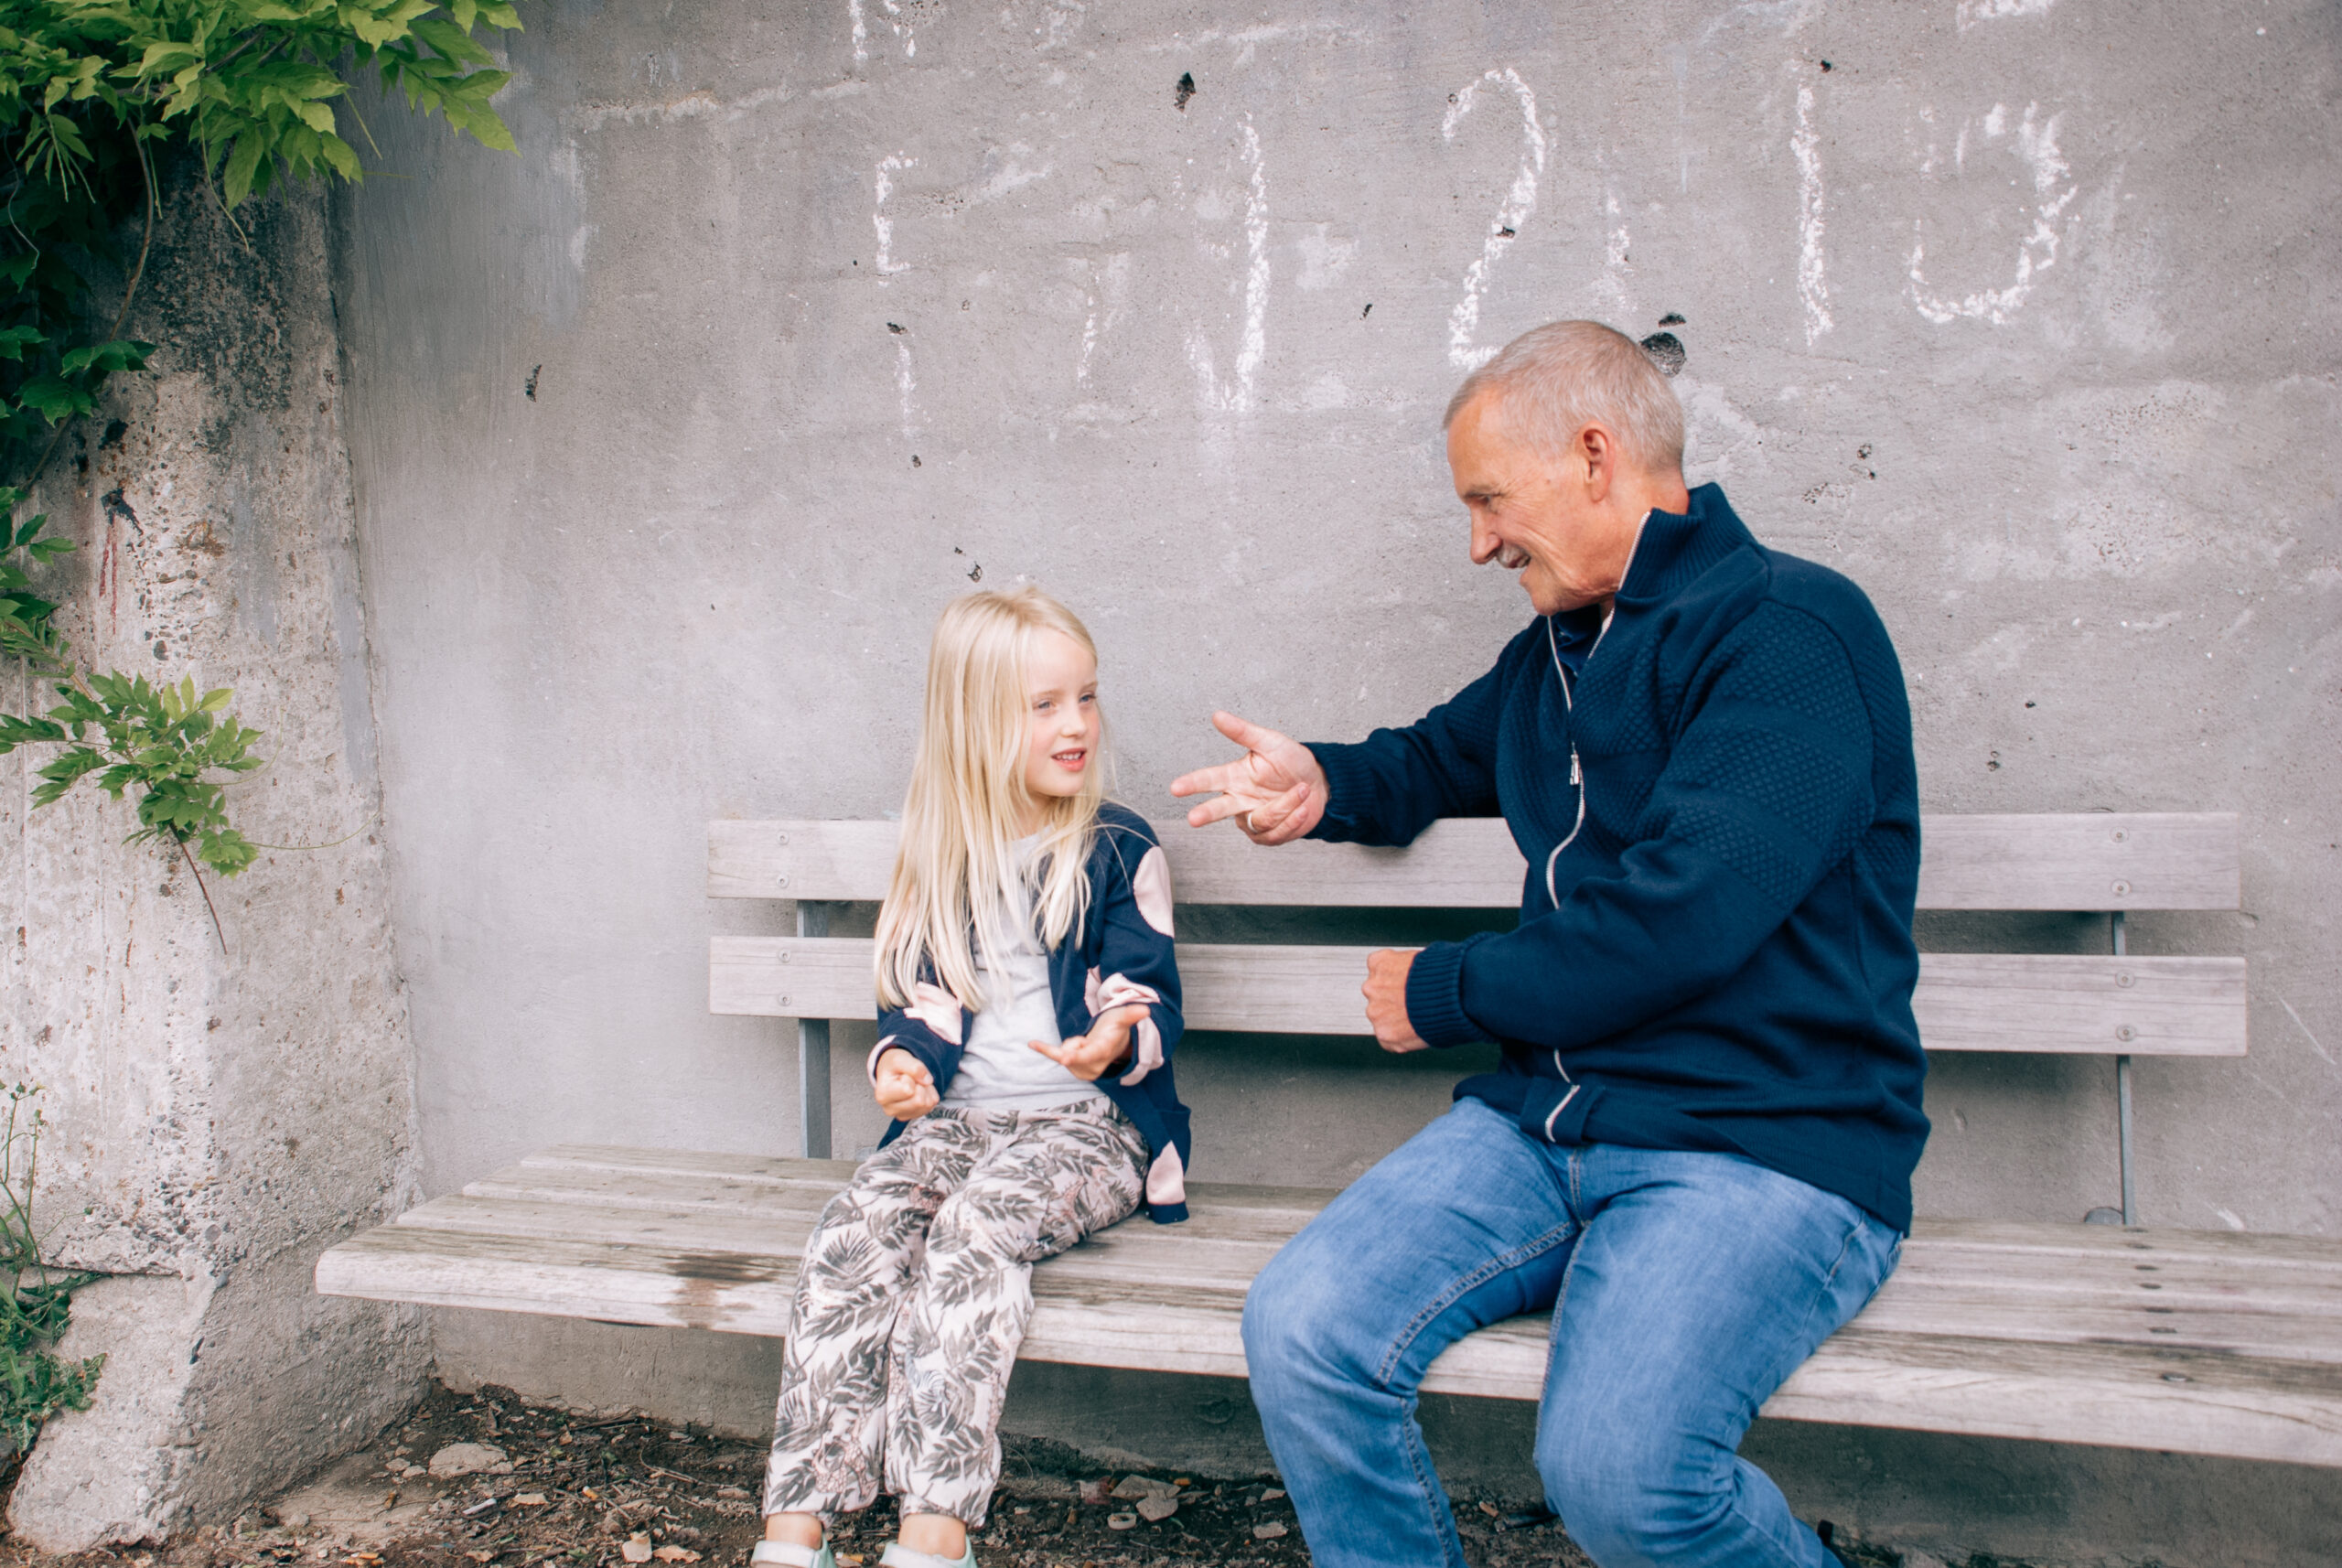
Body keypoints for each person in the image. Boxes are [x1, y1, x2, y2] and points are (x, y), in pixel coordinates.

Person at [1171, 320, 1928, 1568]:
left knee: (1624, 1478)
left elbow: (1676, 924)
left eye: (1487, 499)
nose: (1477, 542)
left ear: (1593, 456)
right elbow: (1431, 758)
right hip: (1550, 1126)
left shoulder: (1790, 633)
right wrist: (1324, 786)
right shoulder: (1558, 658)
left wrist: (1446, 986)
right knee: (1304, 1325)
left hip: (1760, 1144)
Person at [757, 586, 1190, 1568]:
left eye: (1085, 697)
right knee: (850, 1233)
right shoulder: (940, 854)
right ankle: (795, 1526)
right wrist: (904, 1065)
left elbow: (1147, 989)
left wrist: (1114, 1037)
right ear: (974, 721)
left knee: (969, 1235)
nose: (1076, 723)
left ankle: (933, 1530)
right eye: (1043, 705)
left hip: (1087, 1126)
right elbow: (915, 996)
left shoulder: (1115, 845)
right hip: (957, 1126)